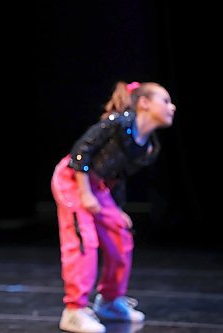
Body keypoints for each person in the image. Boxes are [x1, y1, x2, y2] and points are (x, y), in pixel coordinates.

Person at [51, 81, 176, 333]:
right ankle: (74, 310)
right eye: (165, 100)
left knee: (120, 235)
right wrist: (86, 195)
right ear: (144, 103)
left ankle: (109, 301)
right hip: (72, 179)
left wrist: (116, 208)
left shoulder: (149, 147)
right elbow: (80, 154)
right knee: (84, 239)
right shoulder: (118, 123)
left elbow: (117, 177)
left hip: (98, 187)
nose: (171, 107)